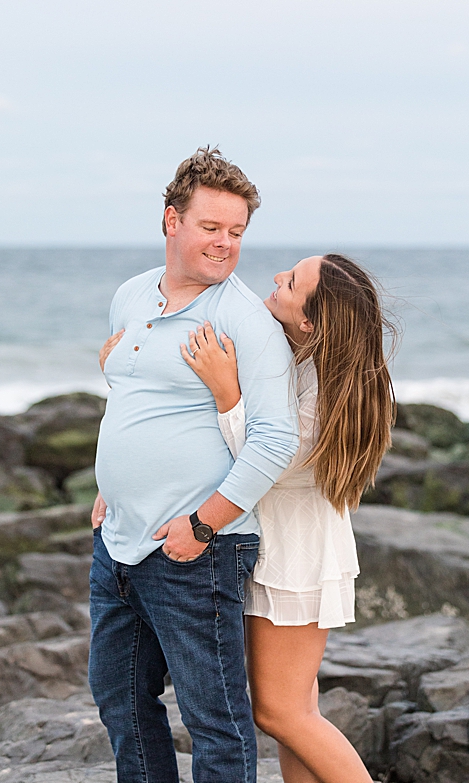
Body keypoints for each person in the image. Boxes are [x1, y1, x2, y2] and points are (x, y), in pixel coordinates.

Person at [90, 147, 299, 781]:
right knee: (121, 702)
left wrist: (203, 525)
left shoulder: (244, 320)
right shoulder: (131, 295)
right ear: (170, 220)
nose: (225, 244)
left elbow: (274, 440)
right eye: (211, 227)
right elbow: (132, 396)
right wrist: (111, 488)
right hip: (119, 539)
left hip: (197, 551)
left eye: (236, 232)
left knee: (216, 720)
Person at [180, 253, 394, 783]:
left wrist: (225, 389)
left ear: (310, 321)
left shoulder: (326, 393)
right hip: (278, 544)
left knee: (279, 711)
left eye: (292, 282)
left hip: (295, 559)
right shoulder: (305, 361)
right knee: (296, 712)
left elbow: (263, 461)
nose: (276, 277)